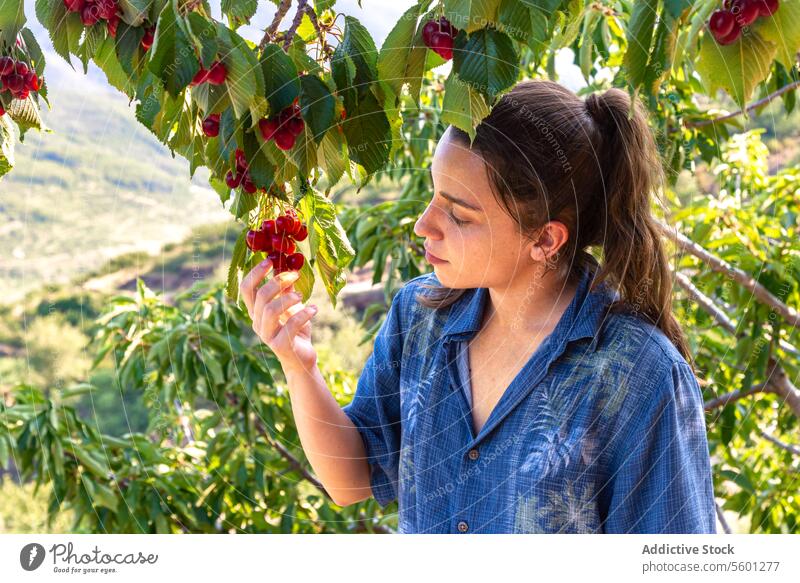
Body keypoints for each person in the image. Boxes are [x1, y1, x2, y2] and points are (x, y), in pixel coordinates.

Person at [238, 79, 717, 534]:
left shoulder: (641, 377)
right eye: (433, 196)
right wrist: (299, 367)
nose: (424, 225)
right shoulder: (420, 315)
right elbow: (351, 478)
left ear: (545, 239)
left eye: (459, 214)